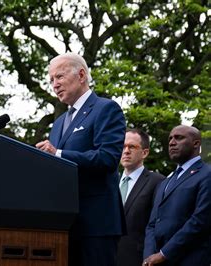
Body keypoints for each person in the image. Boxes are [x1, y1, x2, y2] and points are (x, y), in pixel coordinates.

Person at [36, 53, 126, 266]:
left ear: (82, 75)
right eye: (51, 80)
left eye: (59, 77)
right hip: (63, 224)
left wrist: (58, 154)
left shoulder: (106, 109)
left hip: (97, 223)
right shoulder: (58, 124)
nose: (54, 85)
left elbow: (107, 158)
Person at [143, 125, 211, 265]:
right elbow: (152, 224)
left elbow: (200, 221)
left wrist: (164, 254)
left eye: (179, 138)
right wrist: (149, 256)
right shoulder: (165, 182)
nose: (172, 142)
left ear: (196, 143)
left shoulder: (207, 174)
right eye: (170, 139)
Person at [117, 129, 164, 266]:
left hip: (138, 259)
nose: (126, 151)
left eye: (131, 146)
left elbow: (157, 224)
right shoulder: (111, 182)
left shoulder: (157, 181)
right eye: (123, 146)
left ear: (145, 152)